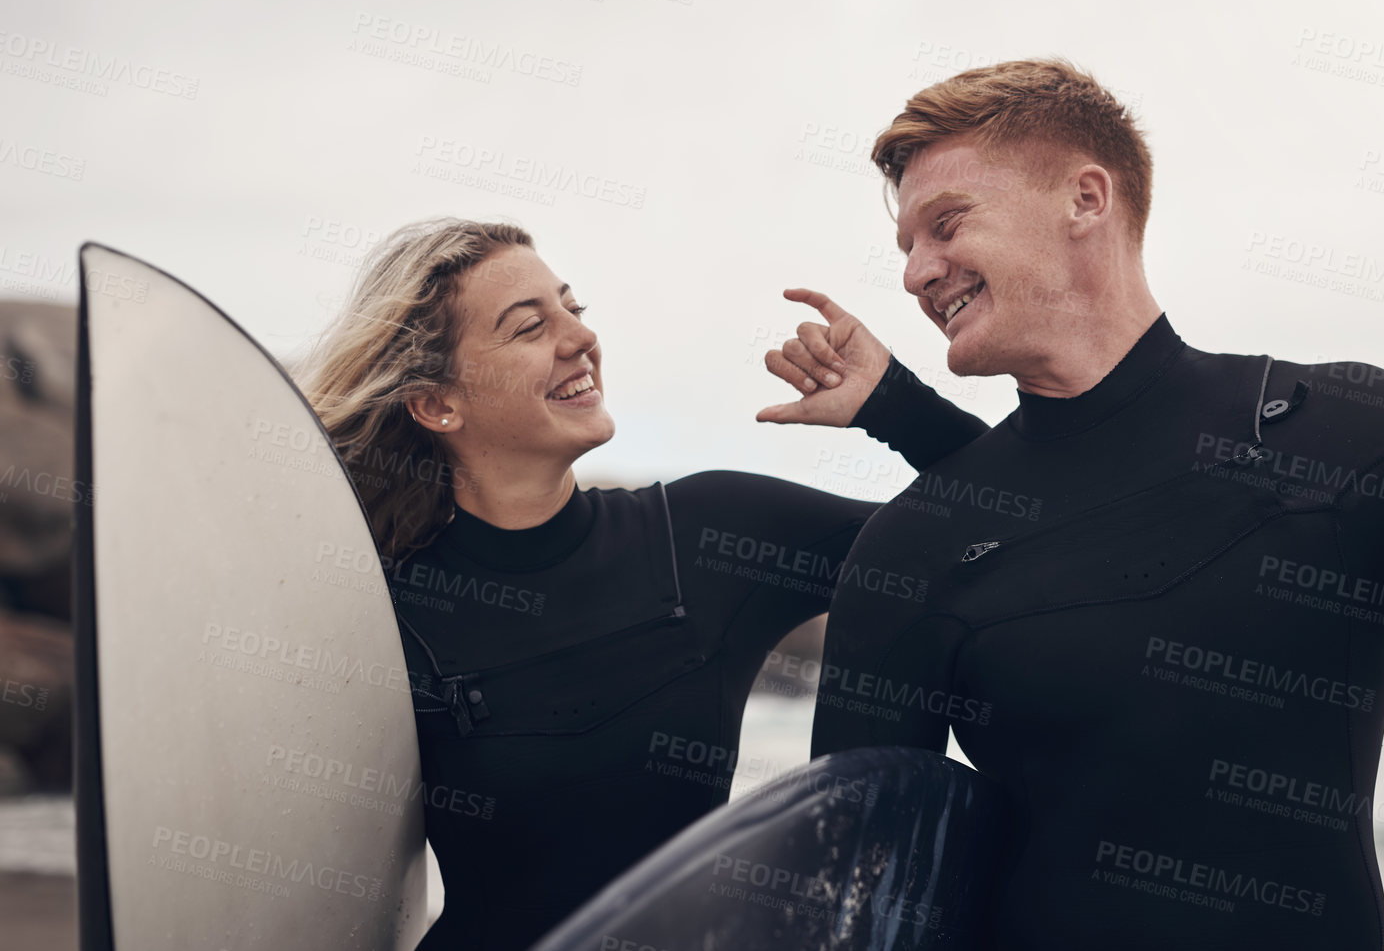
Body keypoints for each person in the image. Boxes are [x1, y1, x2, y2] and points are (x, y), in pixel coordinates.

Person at [809, 59, 1384, 949]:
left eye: (947, 224)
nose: (917, 273)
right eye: (907, 248)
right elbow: (846, 901)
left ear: (1087, 199)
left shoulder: (1352, 436)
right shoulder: (912, 548)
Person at [295, 218, 984, 951]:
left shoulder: (711, 538)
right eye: (530, 327)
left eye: (574, 309)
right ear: (438, 404)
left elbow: (995, 531)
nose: (578, 338)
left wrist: (894, 407)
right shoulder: (378, 609)